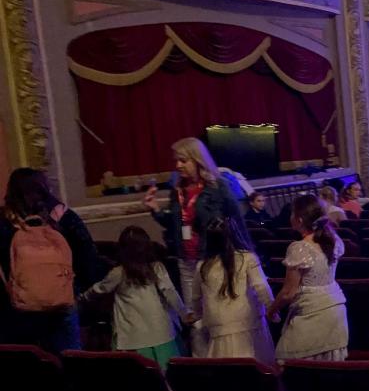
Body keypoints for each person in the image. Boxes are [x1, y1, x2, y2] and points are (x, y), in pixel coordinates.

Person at [144, 137, 251, 309]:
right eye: (176, 161)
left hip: (212, 259)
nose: (178, 165)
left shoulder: (218, 186)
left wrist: (246, 252)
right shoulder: (178, 189)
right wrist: (155, 209)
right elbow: (174, 223)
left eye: (183, 161)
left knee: (217, 310)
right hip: (186, 260)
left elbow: (236, 220)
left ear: (197, 160)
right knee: (195, 316)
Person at [0, 168, 99, 353]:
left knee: (31, 363)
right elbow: (88, 254)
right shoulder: (63, 216)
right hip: (62, 302)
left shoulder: (5, 222)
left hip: (19, 307)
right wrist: (78, 289)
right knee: (69, 360)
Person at [81, 226, 188, 369]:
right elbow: (170, 293)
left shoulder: (118, 273)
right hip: (161, 333)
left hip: (133, 337)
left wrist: (83, 297)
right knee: (167, 376)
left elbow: (99, 289)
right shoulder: (157, 268)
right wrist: (183, 313)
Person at [267, 195, 348, 362]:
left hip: (311, 314)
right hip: (335, 309)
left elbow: (288, 293)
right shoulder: (334, 240)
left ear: (299, 219)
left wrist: (271, 311)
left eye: (291, 213)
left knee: (292, 363)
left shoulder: (300, 248)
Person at [193, 217, 275, 363]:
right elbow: (261, 287)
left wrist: (198, 315)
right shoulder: (247, 258)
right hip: (250, 325)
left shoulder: (203, 266)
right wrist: (272, 310)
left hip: (219, 328)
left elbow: (196, 298)